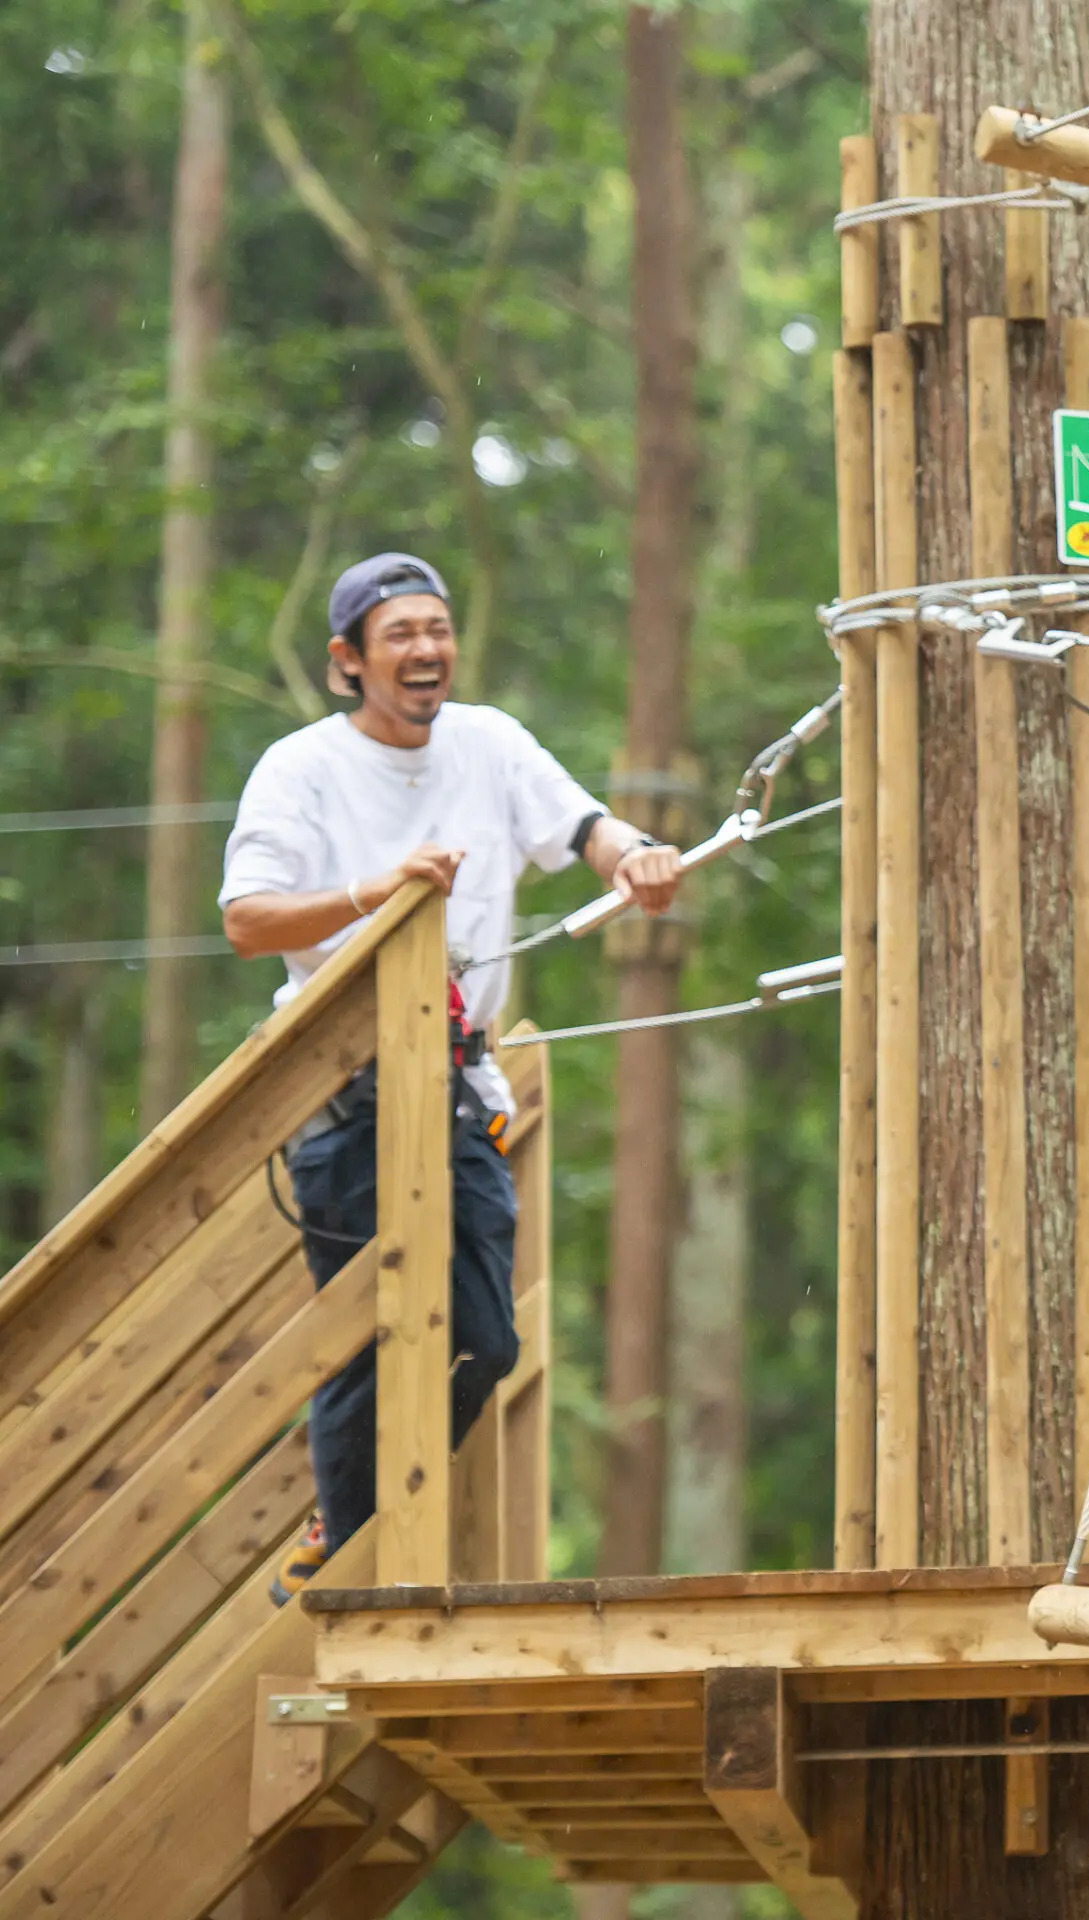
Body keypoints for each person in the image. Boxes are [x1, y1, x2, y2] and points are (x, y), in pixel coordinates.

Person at [221, 553, 687, 1598]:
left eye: (437, 629)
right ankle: (349, 1568)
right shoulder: (302, 769)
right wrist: (369, 893)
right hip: (346, 1097)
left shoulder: (488, 745)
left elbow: (585, 829)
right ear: (349, 662)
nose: (427, 650)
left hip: (461, 1088)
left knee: (483, 1339)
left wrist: (640, 855)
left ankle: (349, 1513)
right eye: (400, 635)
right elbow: (247, 920)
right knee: (361, 1341)